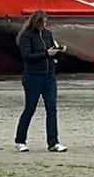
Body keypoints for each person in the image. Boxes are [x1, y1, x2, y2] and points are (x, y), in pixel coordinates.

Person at [14, 10, 67, 153]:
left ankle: (53, 142)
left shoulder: (48, 34)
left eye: (45, 21)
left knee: (52, 109)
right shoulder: (26, 36)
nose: (44, 24)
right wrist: (45, 54)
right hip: (33, 77)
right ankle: (20, 140)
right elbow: (26, 56)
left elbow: (50, 50)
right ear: (35, 22)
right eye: (42, 22)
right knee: (30, 108)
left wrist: (58, 52)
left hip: (49, 76)